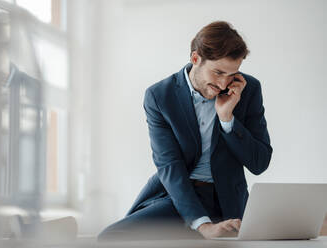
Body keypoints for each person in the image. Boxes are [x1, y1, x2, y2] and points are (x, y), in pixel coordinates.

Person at [98, 21, 272, 241]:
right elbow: (169, 166)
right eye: (218, 72)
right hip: (178, 196)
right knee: (111, 237)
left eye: (231, 74)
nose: (223, 83)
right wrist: (203, 225)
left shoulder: (247, 89)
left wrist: (227, 119)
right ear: (196, 58)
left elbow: (260, 163)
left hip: (228, 199)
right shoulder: (160, 96)